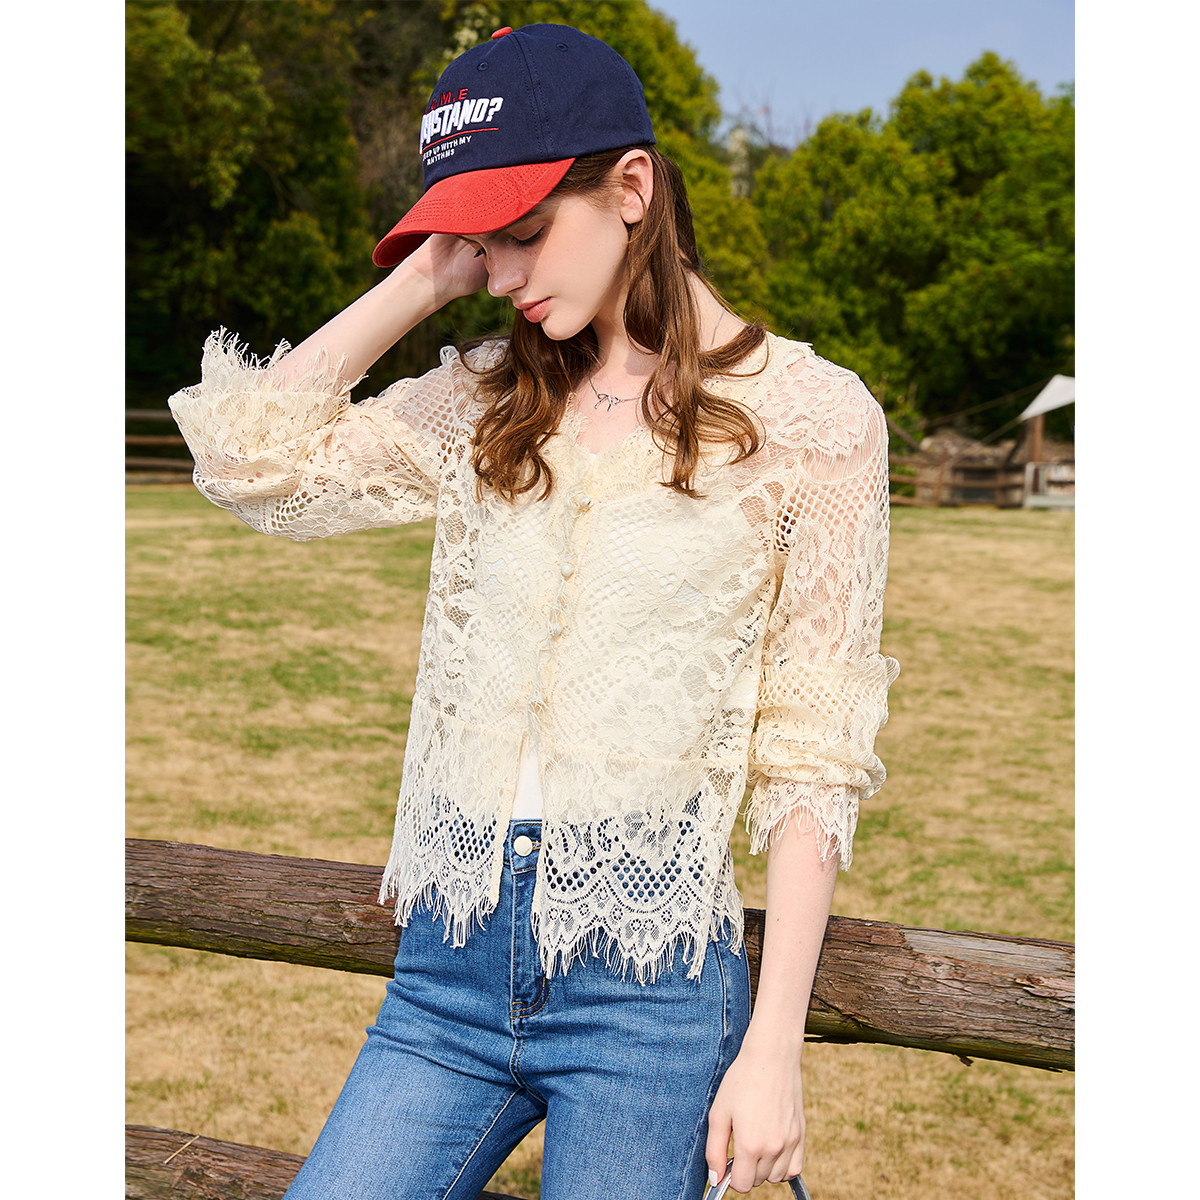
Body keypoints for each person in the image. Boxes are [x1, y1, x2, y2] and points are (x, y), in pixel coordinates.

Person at [169, 23, 898, 1200]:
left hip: (650, 996)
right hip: (448, 969)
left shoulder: (816, 422)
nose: (502, 275)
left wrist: (773, 1053)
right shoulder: (485, 400)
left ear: (633, 188)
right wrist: (425, 274)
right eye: (480, 244)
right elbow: (245, 462)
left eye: (521, 232)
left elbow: (814, 755)